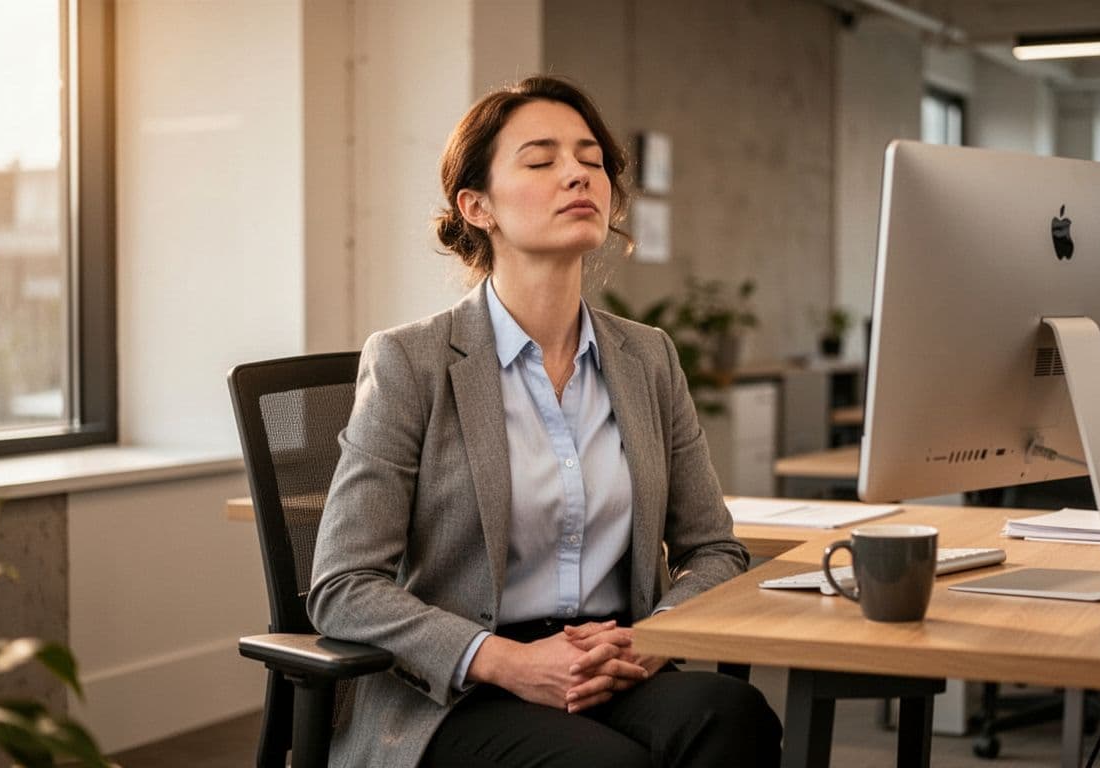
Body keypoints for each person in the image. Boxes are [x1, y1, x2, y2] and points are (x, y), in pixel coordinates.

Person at [307, 75, 782, 768]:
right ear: (477, 206)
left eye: (591, 160)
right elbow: (343, 587)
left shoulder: (647, 357)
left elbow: (714, 549)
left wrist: (649, 641)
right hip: (460, 690)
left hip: (615, 662)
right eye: (540, 161)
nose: (577, 175)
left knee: (732, 716)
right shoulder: (411, 362)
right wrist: (505, 661)